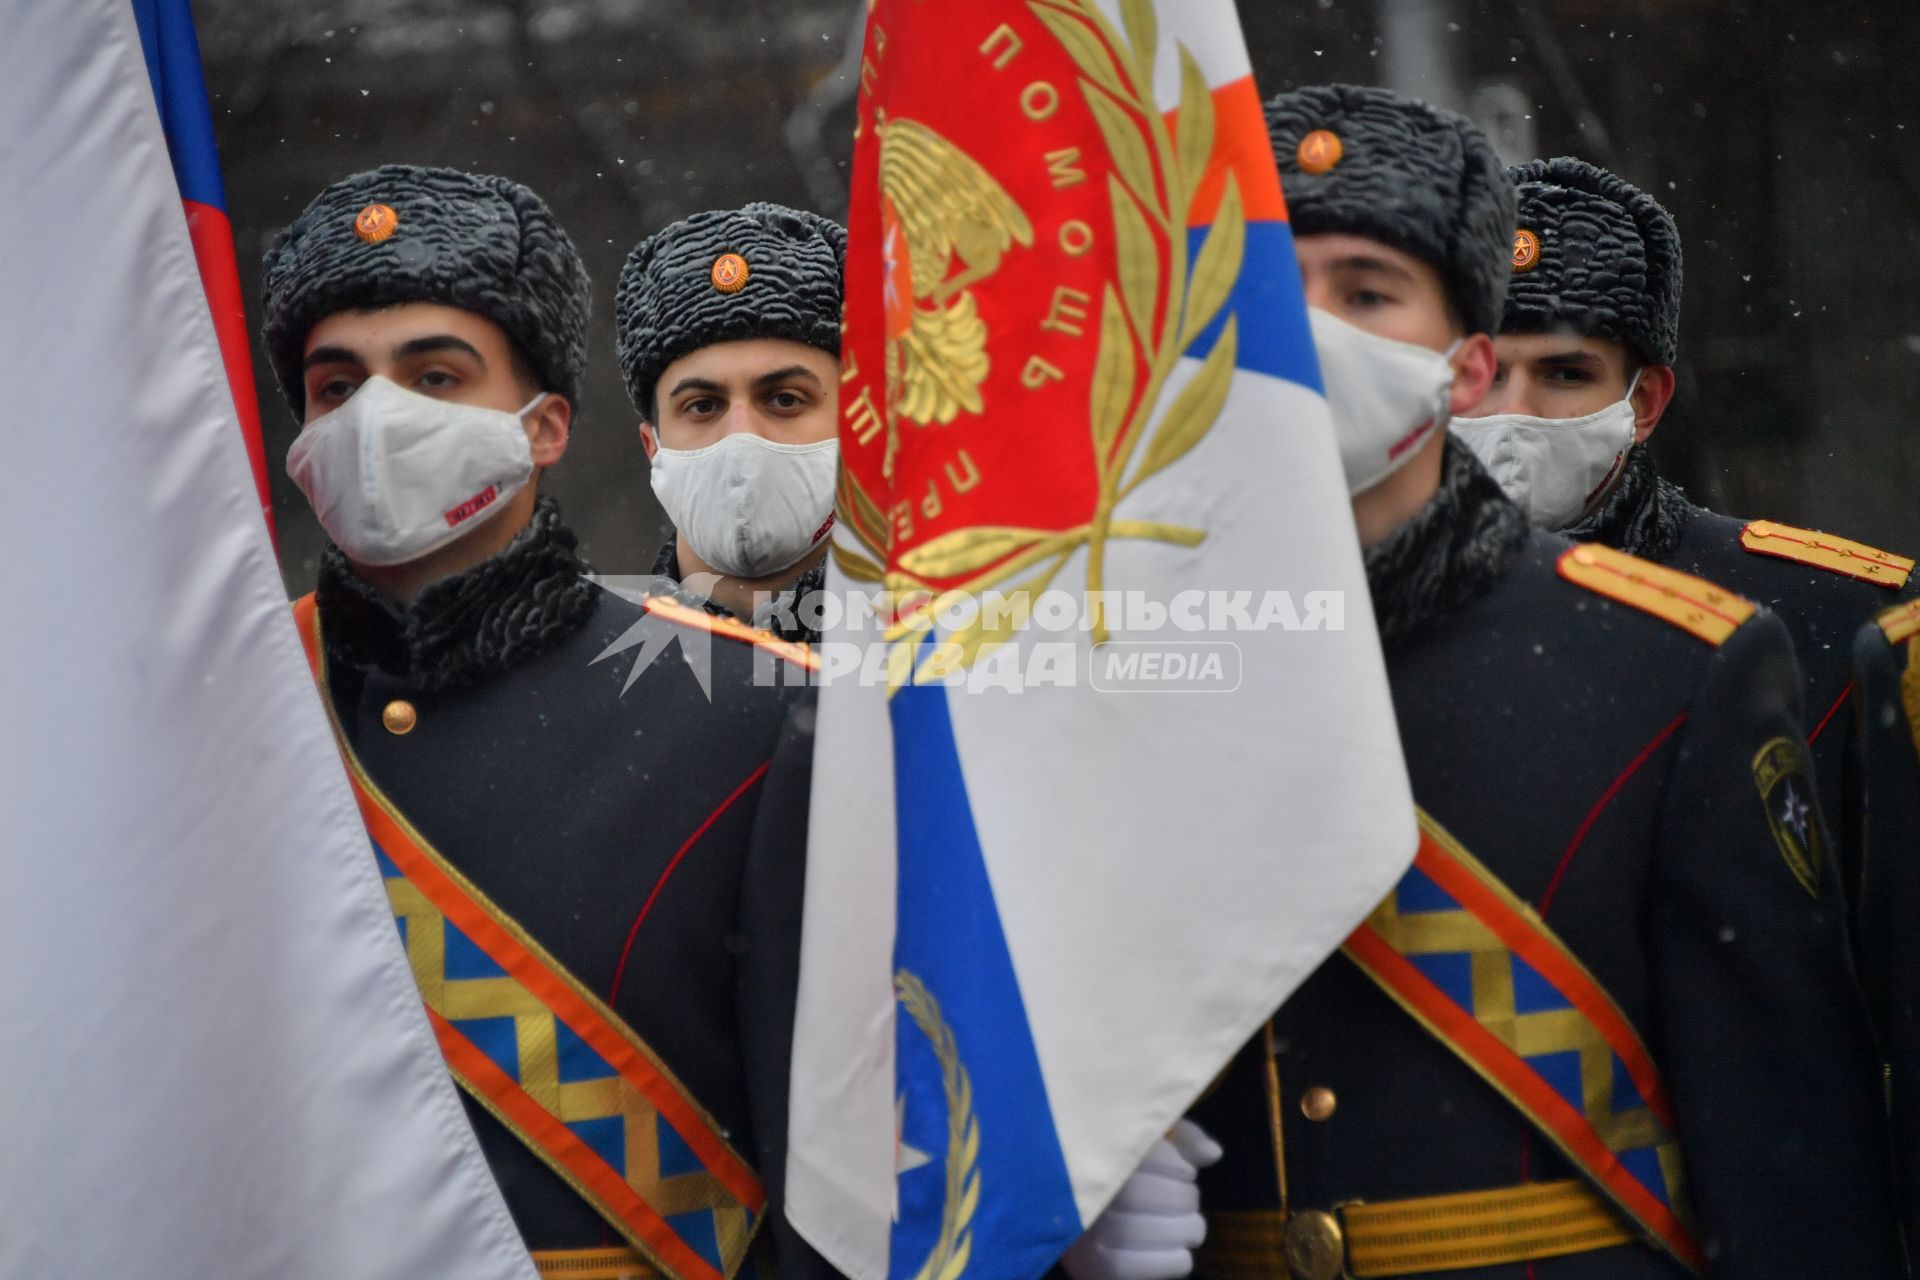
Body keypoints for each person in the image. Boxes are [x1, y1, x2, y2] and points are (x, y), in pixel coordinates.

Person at [1187, 85, 1899, 1280]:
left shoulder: (1677, 665)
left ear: (1460, 365)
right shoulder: (1114, 659)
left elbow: (1789, 1171)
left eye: (1366, 293)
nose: (1314, 335)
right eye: (1273, 292)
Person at [262, 164, 822, 1280]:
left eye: (433, 374)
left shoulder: (749, 714)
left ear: (547, 424)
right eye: (338, 388)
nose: (378, 420)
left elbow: (825, 1180)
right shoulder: (236, 710)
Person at [1455, 156, 1918, 912]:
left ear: (1645, 402)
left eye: (1566, 373)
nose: (1518, 410)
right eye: (1483, 375)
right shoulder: (1350, 614)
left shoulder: (1839, 619)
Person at [615, 203, 842, 646]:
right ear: (653, 448)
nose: (742, 435)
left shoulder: (962, 674)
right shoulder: (586, 685)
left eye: (784, 399)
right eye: (703, 406)